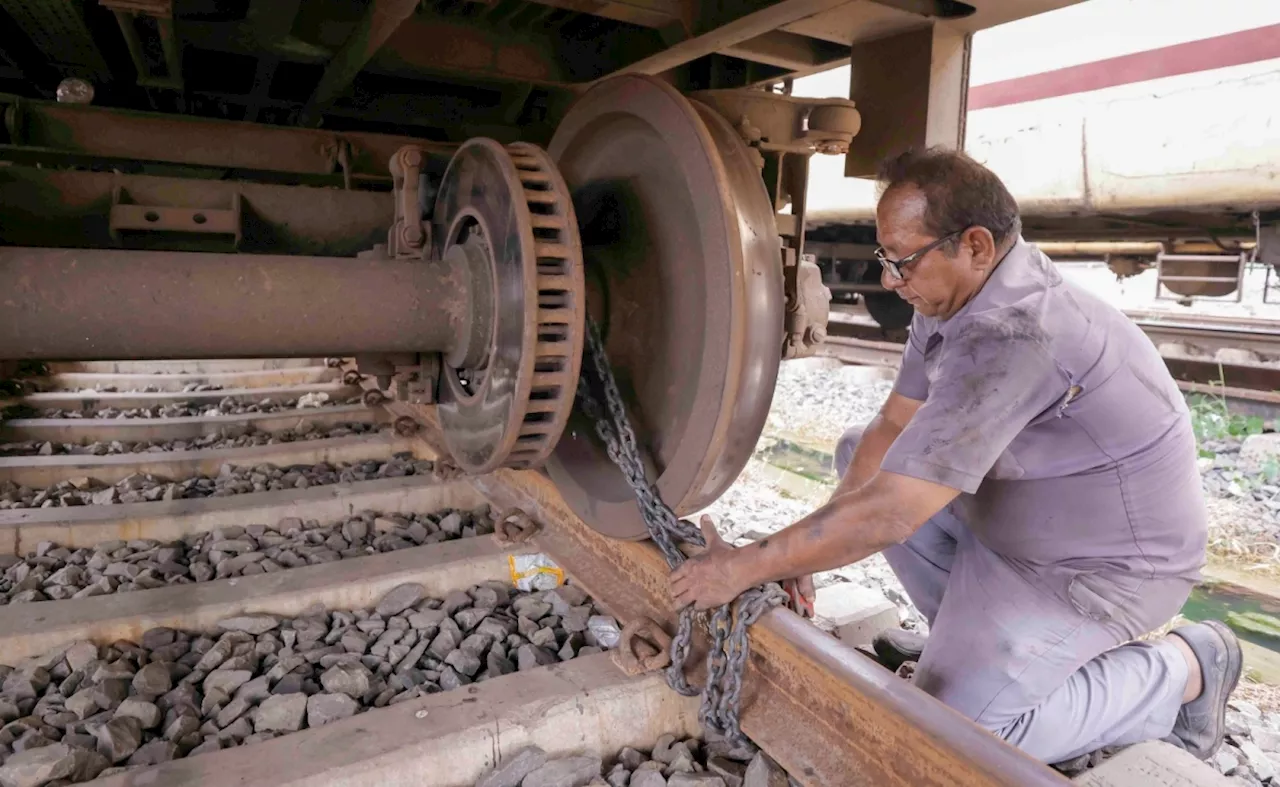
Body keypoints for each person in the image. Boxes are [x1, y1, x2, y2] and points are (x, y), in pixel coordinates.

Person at [669, 147, 1241, 765]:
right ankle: (992, 648)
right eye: (886, 258)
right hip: (1024, 533)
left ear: (975, 245)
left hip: (1099, 575)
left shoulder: (1016, 334)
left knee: (965, 732)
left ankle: (1182, 667)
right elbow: (892, 424)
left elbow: (892, 514)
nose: (890, 280)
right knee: (860, 451)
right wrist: (801, 556)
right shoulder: (956, 298)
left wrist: (748, 565)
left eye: (902, 261)